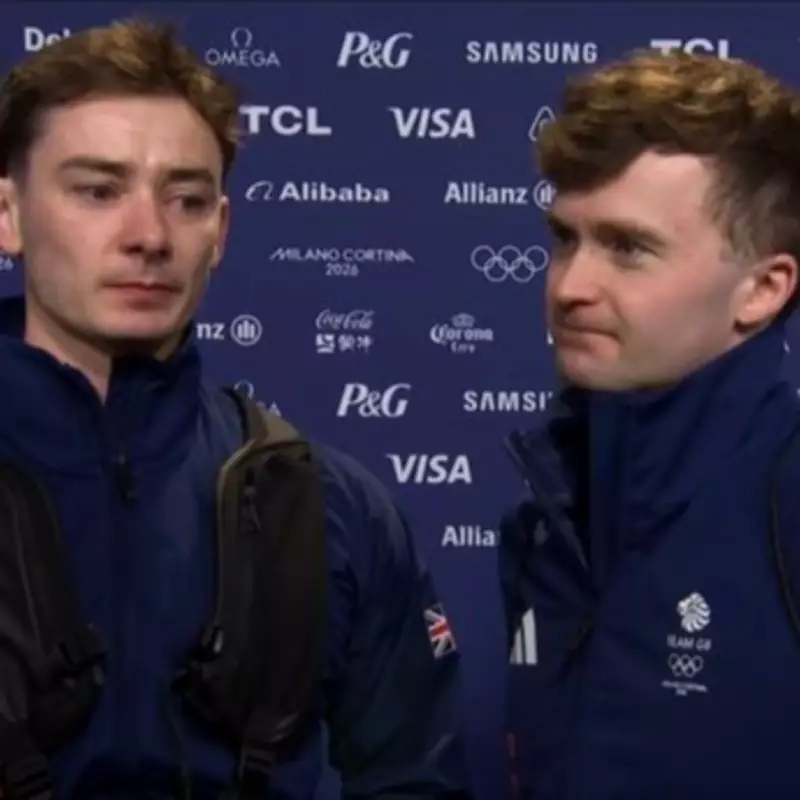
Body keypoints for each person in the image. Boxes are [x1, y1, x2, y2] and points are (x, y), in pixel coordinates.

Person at [0, 17, 472, 800]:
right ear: (10, 215)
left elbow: (412, 778)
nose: (148, 235)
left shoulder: (331, 506)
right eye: (97, 191)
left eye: (186, 200)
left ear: (219, 233)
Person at [499, 48, 800, 799]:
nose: (571, 287)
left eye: (628, 248)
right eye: (565, 240)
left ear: (762, 289)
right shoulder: (549, 519)